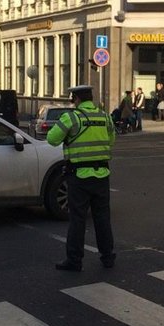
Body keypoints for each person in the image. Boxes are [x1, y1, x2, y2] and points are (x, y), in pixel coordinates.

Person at [46, 85, 117, 272]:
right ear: (90, 98)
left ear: (75, 99)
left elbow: (52, 139)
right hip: (102, 175)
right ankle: (108, 257)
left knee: (77, 219)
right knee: (102, 218)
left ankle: (74, 260)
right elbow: (111, 141)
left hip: (78, 177)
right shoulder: (105, 117)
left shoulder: (71, 118)